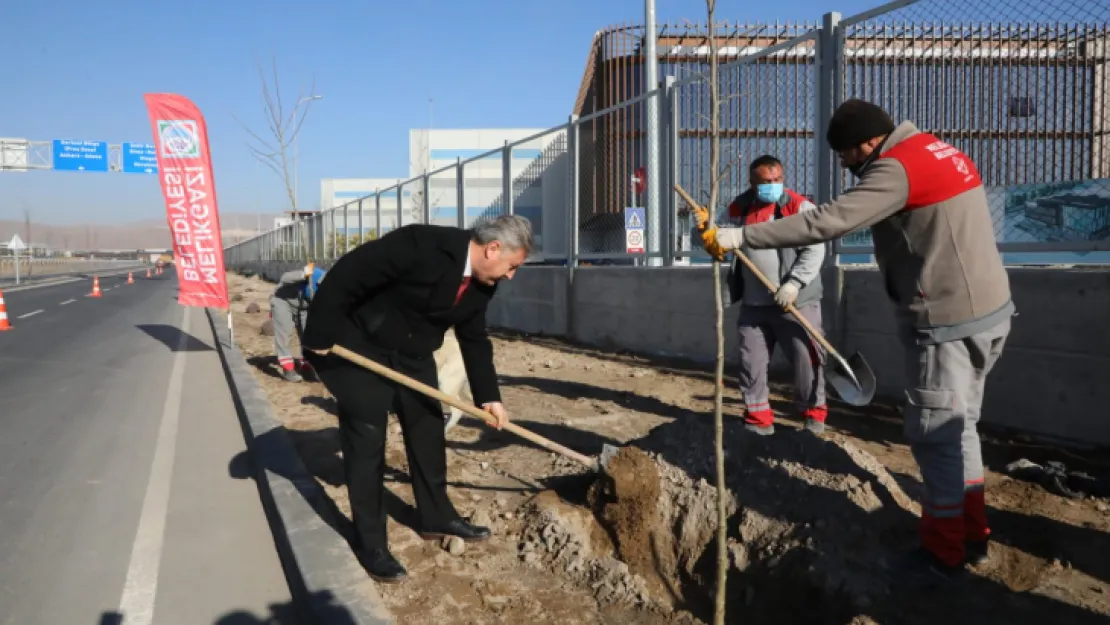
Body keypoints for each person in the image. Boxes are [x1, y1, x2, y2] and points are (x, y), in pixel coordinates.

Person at [695, 99, 1014, 584]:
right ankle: (973, 536)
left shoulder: (897, 167)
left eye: (845, 154)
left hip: (949, 319)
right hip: (988, 311)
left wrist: (738, 239)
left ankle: (943, 554)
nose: (845, 164)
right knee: (961, 427)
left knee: (936, 438)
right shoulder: (938, 149)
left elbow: (827, 222)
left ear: (867, 142)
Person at [301, 215, 532, 583]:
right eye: (512, 266)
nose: (510, 276)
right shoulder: (422, 245)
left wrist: (490, 397)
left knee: (427, 423)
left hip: (413, 353)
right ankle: (371, 542)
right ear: (493, 249)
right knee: (366, 436)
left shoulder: (484, 281)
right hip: (361, 344)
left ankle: (436, 515)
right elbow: (348, 274)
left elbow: (473, 336)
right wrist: (318, 334)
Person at [700, 154, 828, 436]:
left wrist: (794, 283)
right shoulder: (739, 208)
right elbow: (722, 239)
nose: (773, 185)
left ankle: (813, 414)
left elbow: (815, 249)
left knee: (807, 359)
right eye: (766, 181)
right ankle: (758, 418)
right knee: (751, 362)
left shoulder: (799, 207)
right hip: (755, 303)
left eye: (778, 179)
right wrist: (710, 236)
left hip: (796, 301)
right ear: (752, 182)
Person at [270, 263, 326, 382]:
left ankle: (306, 366)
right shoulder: (314, 275)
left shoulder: (332, 289)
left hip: (304, 308)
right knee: (285, 334)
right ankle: (288, 369)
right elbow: (284, 278)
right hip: (283, 301)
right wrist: (304, 274)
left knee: (307, 337)